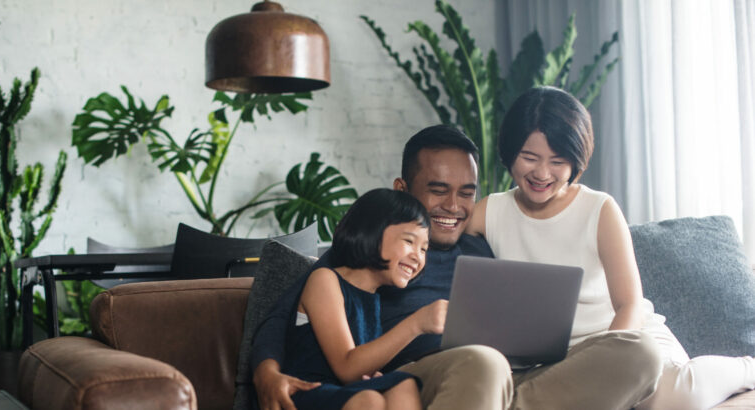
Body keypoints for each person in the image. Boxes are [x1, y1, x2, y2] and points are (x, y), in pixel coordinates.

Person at [251, 124, 661, 410]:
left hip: (512, 375)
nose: (454, 207)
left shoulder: (484, 246)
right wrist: (266, 373)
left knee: (641, 354)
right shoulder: (379, 250)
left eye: (466, 193)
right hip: (428, 377)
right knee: (482, 361)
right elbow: (283, 311)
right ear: (403, 190)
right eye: (438, 191)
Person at [466, 85, 755, 410]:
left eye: (557, 161)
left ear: (575, 161)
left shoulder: (598, 209)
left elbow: (629, 305)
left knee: (676, 398)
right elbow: (433, 245)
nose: (542, 173)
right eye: (529, 158)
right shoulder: (490, 211)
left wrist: (607, 364)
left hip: (622, 339)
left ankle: (746, 368)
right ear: (509, 152)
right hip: (549, 360)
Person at [276, 188, 441, 410]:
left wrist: (373, 375)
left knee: (403, 384)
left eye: (424, 249)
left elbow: (358, 371)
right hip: (304, 393)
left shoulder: (373, 299)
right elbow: (347, 367)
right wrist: (418, 323)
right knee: (369, 400)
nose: (417, 256)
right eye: (409, 241)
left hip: (343, 394)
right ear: (371, 231)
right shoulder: (325, 280)